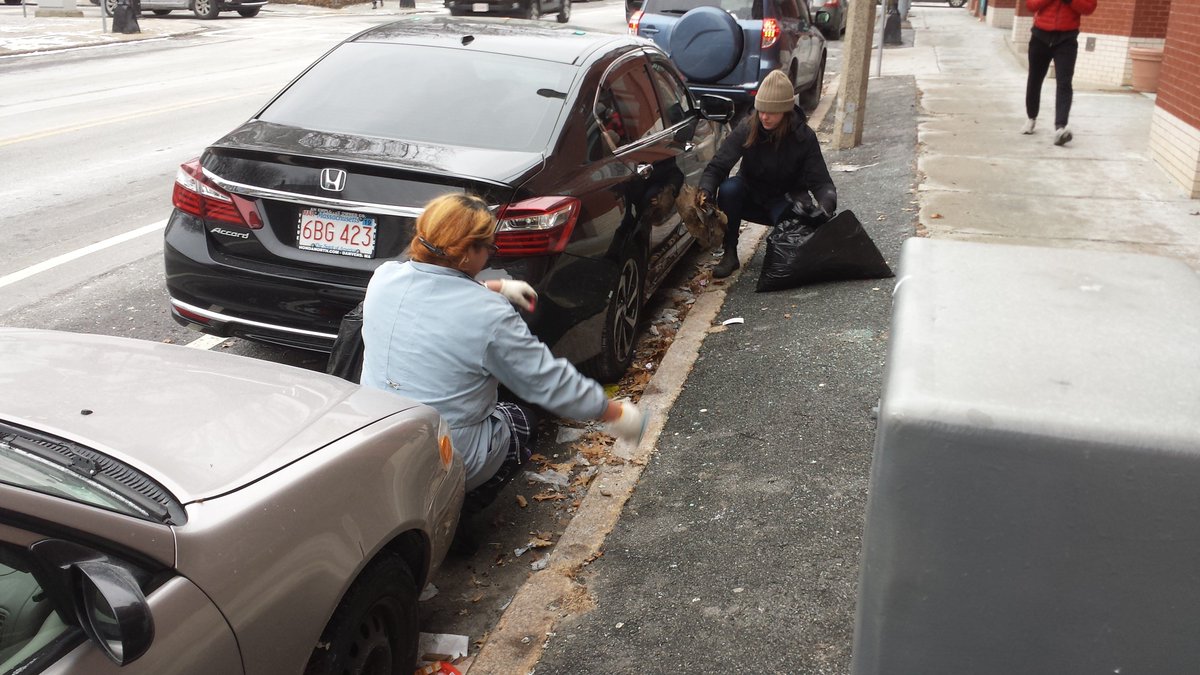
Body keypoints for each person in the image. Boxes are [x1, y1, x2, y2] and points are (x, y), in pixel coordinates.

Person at [360, 193, 647, 522]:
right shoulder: (489, 316)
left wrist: (493, 286)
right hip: (442, 451)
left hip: (381, 439)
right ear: (469, 252)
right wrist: (615, 413)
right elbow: (548, 383)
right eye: (490, 248)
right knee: (521, 419)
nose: (491, 254)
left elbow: (435, 293)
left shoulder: (382, 278)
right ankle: (456, 514)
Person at [699, 69, 837, 279]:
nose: (764, 116)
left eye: (771, 112)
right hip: (751, 196)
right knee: (729, 189)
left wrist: (825, 207)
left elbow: (822, 183)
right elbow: (718, 166)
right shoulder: (748, 127)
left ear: (785, 112)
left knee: (789, 253)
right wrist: (705, 191)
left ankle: (785, 254)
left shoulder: (804, 137)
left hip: (786, 200)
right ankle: (729, 253)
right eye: (761, 110)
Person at [1022, 0, 1098, 146]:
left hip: (1067, 39)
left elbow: (1089, 8)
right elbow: (1031, 5)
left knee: (1064, 83)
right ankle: (1031, 118)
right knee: (1035, 79)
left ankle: (1060, 128)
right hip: (1040, 36)